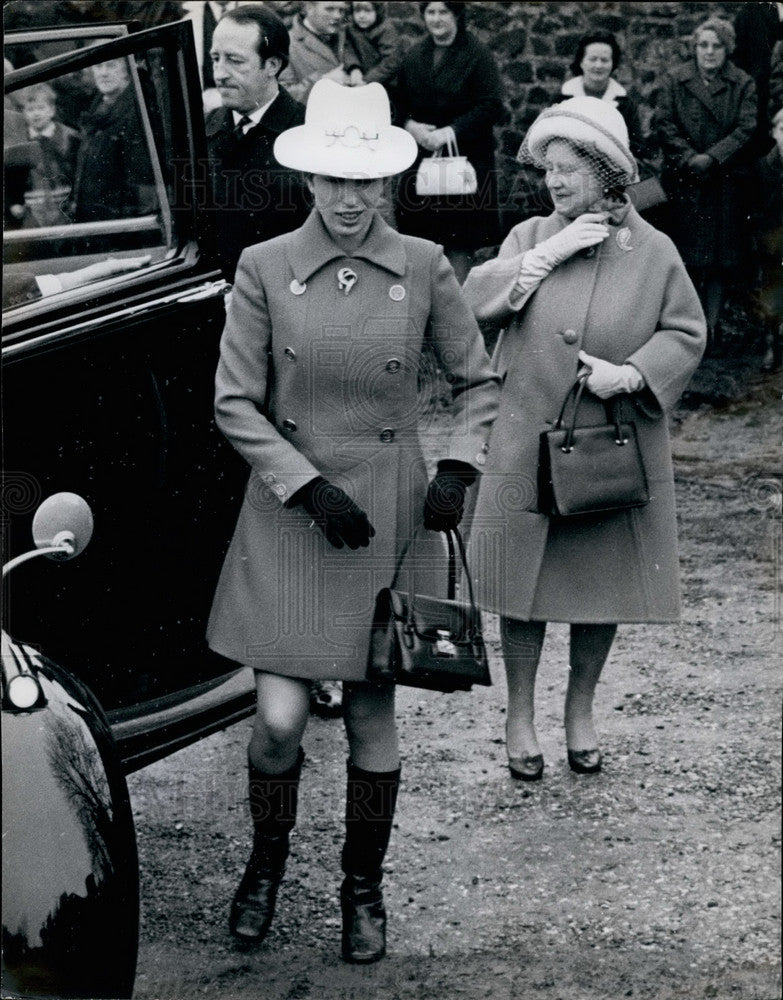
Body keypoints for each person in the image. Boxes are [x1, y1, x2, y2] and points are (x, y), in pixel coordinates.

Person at [205, 79, 499, 961]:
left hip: (387, 514)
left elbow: (479, 383)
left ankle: (360, 890)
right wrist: (302, 485)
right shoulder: (262, 265)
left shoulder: (423, 265)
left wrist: (457, 463)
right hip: (296, 516)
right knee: (280, 724)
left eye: (365, 181)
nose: (348, 199)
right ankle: (264, 868)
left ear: (388, 183)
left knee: (372, 718)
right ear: (307, 179)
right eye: (333, 180)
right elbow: (233, 403)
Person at [462, 96, 706, 782]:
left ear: (605, 173)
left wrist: (631, 374)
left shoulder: (653, 251)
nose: (553, 183)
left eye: (568, 170)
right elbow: (474, 303)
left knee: (597, 587)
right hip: (526, 435)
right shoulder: (530, 233)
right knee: (521, 587)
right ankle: (518, 716)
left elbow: (686, 332)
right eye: (548, 170)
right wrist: (543, 254)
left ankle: (579, 712)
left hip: (607, 442)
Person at [653, 16, 757, 350]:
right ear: (694, 48)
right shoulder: (675, 80)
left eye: (717, 46)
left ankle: (711, 329)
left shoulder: (742, 84)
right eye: (703, 45)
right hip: (686, 182)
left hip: (723, 182)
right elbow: (664, 123)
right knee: (685, 256)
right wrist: (688, 158)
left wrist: (712, 157)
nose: (709, 53)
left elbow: (746, 127)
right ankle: (684, 330)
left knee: (719, 260)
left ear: (727, 50)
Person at [392, 1, 505, 283]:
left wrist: (451, 131)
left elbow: (491, 104)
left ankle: (456, 309)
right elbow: (398, 102)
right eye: (431, 12)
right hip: (424, 159)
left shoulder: (477, 54)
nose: (436, 19)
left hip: (465, 159)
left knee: (459, 240)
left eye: (443, 12)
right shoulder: (416, 54)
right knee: (422, 238)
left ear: (456, 15)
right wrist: (411, 126)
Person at [206, 5, 309, 283]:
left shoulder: (309, 134)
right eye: (216, 59)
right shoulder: (204, 130)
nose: (220, 73)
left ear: (272, 65)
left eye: (234, 61)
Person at [70, 57, 157, 222]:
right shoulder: (97, 108)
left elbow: (143, 184)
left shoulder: (137, 112)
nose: (103, 73)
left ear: (127, 71)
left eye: (111, 65)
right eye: (98, 65)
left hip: (120, 225)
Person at [14, 82, 80, 227]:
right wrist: (13, 204)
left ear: (51, 110)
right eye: (30, 109)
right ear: (24, 112)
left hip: (66, 210)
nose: (36, 113)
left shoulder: (69, 137)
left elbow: (78, 172)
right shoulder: (19, 142)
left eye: (41, 108)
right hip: (32, 213)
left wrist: (75, 201)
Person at [279, 1, 371, 103]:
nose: (337, 16)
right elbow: (282, 97)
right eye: (330, 9)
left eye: (341, 10)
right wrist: (323, 82)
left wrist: (355, 70)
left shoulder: (347, 34)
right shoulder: (286, 43)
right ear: (308, 7)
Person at [748, 105, 783, 371]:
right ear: (774, 133)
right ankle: (771, 341)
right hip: (773, 238)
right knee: (772, 282)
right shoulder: (765, 166)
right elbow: (761, 210)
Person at [345, 1, 403, 88]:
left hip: (385, 81)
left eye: (367, 11)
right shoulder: (351, 29)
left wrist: (367, 80)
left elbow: (391, 61)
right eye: (357, 11)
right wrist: (354, 68)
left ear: (378, 11)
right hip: (359, 77)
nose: (361, 16)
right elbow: (348, 49)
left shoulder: (386, 30)